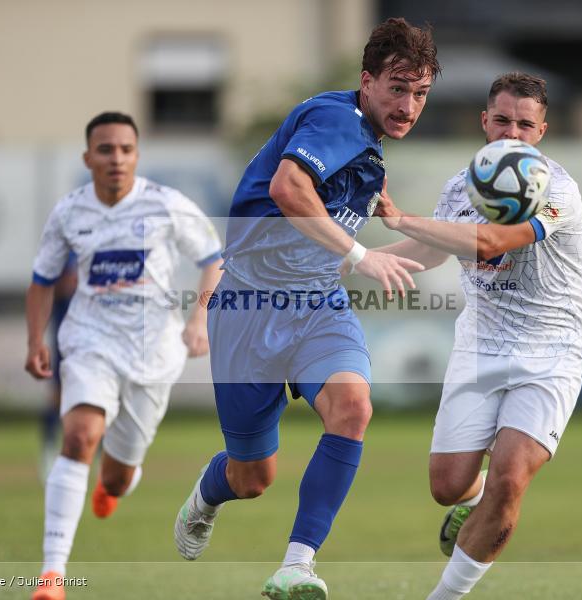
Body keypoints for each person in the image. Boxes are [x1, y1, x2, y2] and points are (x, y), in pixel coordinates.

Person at [172, 17, 439, 600]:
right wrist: (363, 252)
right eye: (397, 87)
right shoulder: (336, 118)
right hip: (247, 308)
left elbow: (380, 240)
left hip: (318, 305)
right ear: (366, 81)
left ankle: (297, 565)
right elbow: (288, 188)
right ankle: (208, 493)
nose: (408, 104)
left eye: (420, 92)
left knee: (353, 405)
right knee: (252, 478)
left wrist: (451, 236)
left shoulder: (370, 159)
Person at [372, 72, 582, 599]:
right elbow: (435, 251)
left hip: (552, 350)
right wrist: (353, 263)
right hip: (479, 347)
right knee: (446, 486)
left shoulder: (558, 191)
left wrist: (401, 218)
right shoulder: (461, 184)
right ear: (484, 121)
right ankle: (470, 503)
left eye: (525, 124)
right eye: (502, 120)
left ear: (542, 130)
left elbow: (493, 240)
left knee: (510, 477)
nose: (512, 134)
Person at [25, 111, 224, 600]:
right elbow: (42, 280)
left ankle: (113, 484)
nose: (116, 158)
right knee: (78, 437)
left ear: (136, 155)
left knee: (115, 478)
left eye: (126, 149)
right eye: (106, 149)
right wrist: (34, 340)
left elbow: (213, 260)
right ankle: (53, 575)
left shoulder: (165, 205)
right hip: (90, 340)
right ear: (88, 157)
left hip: (153, 352)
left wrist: (199, 320)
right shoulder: (69, 212)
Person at [38, 252, 77, 483]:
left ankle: (103, 457)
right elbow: (55, 287)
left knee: (105, 398)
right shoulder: (66, 250)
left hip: (98, 339)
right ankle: (48, 450)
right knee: (58, 397)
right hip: (66, 338)